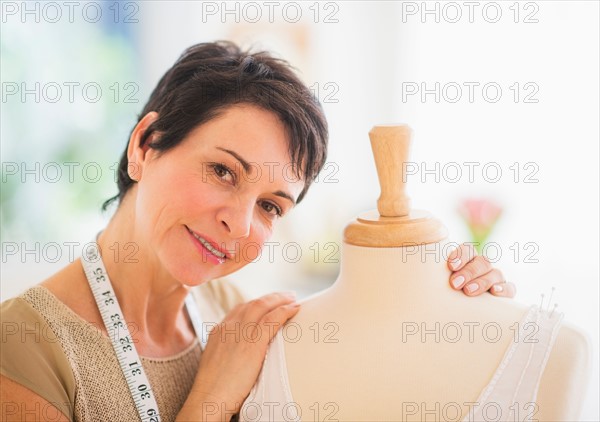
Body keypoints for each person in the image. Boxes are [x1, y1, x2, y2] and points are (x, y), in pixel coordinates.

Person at [0, 41, 515, 422]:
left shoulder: (236, 315)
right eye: (223, 171)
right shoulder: (23, 348)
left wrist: (468, 311)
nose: (240, 224)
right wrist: (209, 402)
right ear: (144, 145)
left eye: (270, 205)